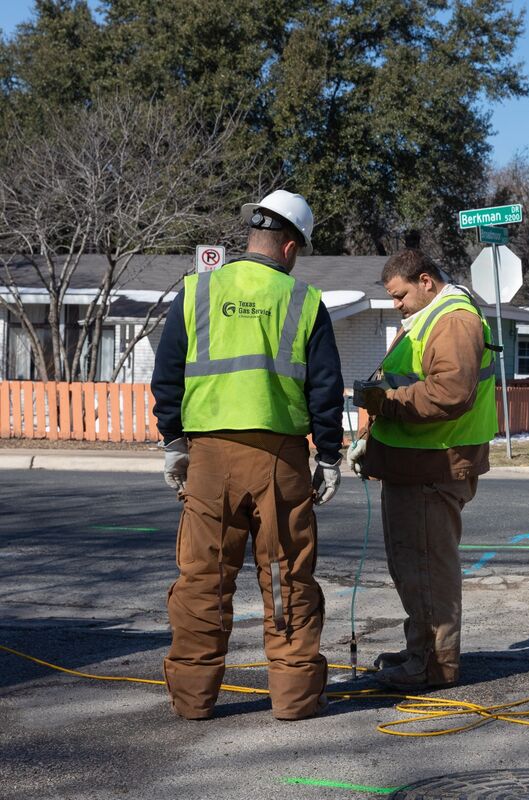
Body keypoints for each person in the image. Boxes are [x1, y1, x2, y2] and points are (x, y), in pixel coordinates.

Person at [151, 190, 344, 721]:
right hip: (280, 460)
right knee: (286, 575)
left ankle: (192, 700)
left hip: (210, 455)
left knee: (204, 578)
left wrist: (174, 442)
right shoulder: (303, 301)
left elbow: (166, 375)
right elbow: (325, 389)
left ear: (252, 237)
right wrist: (328, 455)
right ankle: (294, 698)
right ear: (289, 248)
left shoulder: (196, 291)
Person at [348, 243, 497, 690]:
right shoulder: (430, 318)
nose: (395, 305)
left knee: (427, 568)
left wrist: (386, 404)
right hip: (418, 463)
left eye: (400, 295)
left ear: (425, 282)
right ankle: (423, 649)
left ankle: (433, 663)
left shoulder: (452, 320)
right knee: (414, 566)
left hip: (435, 464)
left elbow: (450, 392)